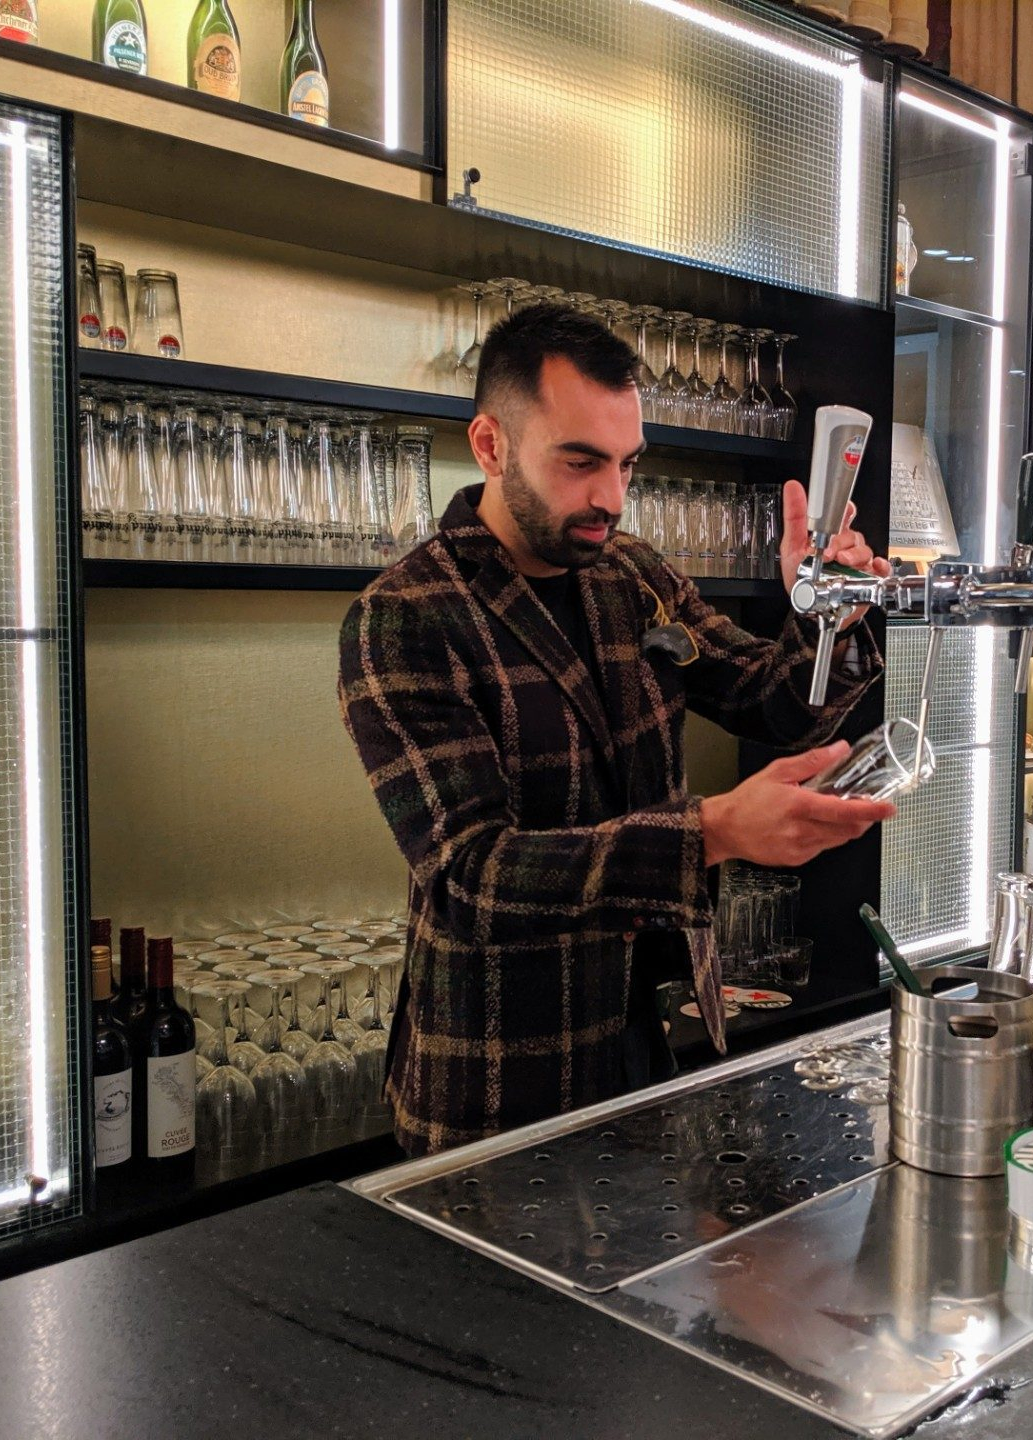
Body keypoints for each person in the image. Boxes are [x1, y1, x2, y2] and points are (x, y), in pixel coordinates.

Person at [338, 303, 895, 1155]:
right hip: (498, 1071)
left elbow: (771, 702)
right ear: (490, 445)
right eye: (581, 462)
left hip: (650, 1034)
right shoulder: (407, 615)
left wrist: (828, 615)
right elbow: (469, 877)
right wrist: (711, 833)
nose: (610, 496)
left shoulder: (631, 573)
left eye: (628, 463)